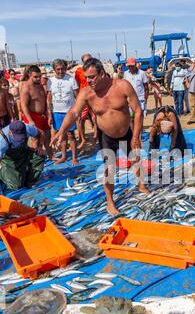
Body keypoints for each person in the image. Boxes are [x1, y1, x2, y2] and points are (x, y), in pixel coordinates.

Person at [51, 58, 149, 216]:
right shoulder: (87, 93)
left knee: (136, 160)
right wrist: (62, 131)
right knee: (109, 169)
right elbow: (74, 112)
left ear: (102, 73)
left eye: (92, 77)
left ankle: (141, 185)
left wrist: (136, 136)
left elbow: (137, 111)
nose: (88, 81)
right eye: (86, 77)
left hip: (126, 132)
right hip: (107, 136)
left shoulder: (122, 85)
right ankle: (110, 202)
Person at [47, 59, 79, 165]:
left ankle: (74, 157)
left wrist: (77, 111)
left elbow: (77, 96)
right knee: (62, 136)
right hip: (56, 112)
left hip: (69, 112)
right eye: (58, 69)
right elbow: (49, 98)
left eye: (63, 69)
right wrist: (49, 114)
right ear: (54, 70)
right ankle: (64, 156)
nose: (61, 71)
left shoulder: (71, 79)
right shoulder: (50, 81)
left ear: (66, 68)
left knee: (71, 135)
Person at [0, 120, 45, 191]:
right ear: (10, 132)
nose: (21, 139)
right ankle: (2, 174)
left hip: (24, 152)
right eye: (18, 136)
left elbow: (41, 133)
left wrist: (39, 146)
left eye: (22, 136)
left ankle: (30, 181)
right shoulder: (2, 141)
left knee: (39, 155)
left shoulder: (28, 128)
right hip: (10, 161)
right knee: (16, 187)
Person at [21, 65, 53, 159]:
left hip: (43, 115)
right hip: (32, 115)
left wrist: (48, 114)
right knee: (36, 139)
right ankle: (36, 159)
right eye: (35, 77)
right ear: (30, 75)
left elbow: (44, 101)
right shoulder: (26, 87)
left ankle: (51, 156)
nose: (38, 78)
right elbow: (24, 105)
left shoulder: (40, 85)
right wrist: (30, 120)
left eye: (39, 76)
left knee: (47, 136)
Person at [75, 53, 97, 149]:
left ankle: (95, 138)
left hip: (94, 96)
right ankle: (82, 139)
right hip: (84, 97)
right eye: (86, 60)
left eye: (90, 59)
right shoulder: (78, 71)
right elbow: (76, 84)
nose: (88, 62)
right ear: (83, 62)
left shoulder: (96, 69)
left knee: (95, 118)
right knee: (80, 119)